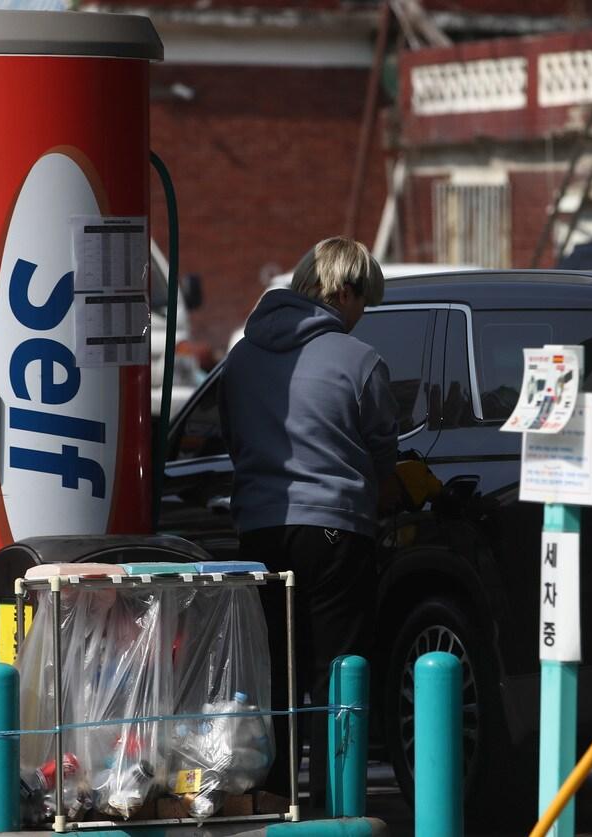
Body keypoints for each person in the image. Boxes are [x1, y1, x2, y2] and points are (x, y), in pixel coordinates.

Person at [220, 236, 399, 811]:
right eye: (363, 301)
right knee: (335, 668)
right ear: (342, 291)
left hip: (260, 530)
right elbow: (383, 454)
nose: (361, 314)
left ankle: (274, 793)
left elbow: (231, 439)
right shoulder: (359, 361)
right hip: (335, 529)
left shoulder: (241, 358)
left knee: (274, 667)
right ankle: (333, 800)